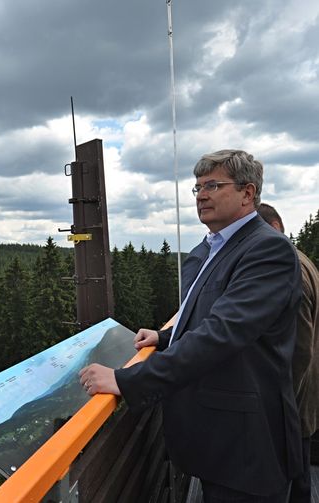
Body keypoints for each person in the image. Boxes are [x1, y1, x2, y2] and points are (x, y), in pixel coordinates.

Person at [79, 149, 303, 502]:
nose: (201, 195)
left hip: (246, 444)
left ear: (247, 193)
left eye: (213, 185)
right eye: (197, 187)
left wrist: (125, 379)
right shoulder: (213, 247)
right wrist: (166, 336)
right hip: (218, 439)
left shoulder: (267, 250)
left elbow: (222, 334)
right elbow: (209, 316)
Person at [257, 202, 319, 503]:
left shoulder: (287, 269)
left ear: (275, 228)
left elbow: (299, 350)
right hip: (303, 399)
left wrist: (280, 408)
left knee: (293, 483)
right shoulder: (301, 260)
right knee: (299, 475)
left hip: (292, 403)